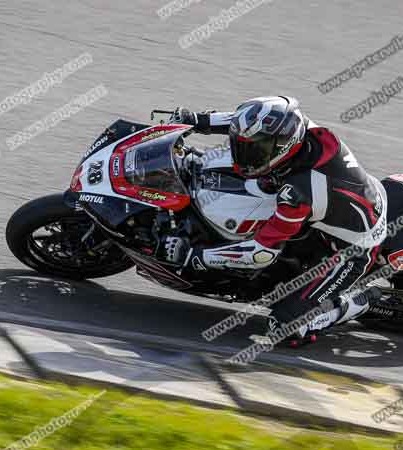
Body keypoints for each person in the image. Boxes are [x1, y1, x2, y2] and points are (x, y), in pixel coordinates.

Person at [166, 96, 387, 346]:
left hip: (351, 249)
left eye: (255, 150)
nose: (244, 155)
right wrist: (198, 121)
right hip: (332, 213)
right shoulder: (296, 126)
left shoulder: (299, 192)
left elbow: (260, 253)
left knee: (285, 329)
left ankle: (356, 301)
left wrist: (198, 256)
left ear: (281, 146)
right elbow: (242, 124)